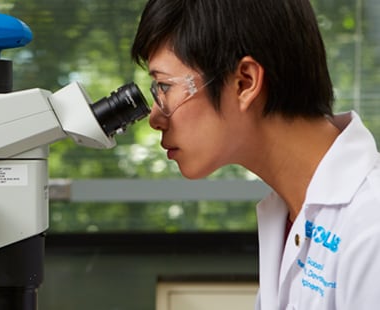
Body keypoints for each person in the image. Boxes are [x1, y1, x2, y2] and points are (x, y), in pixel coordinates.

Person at [131, 0, 380, 309]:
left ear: (244, 82)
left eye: (164, 87)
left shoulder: (371, 227)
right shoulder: (288, 212)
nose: (155, 118)